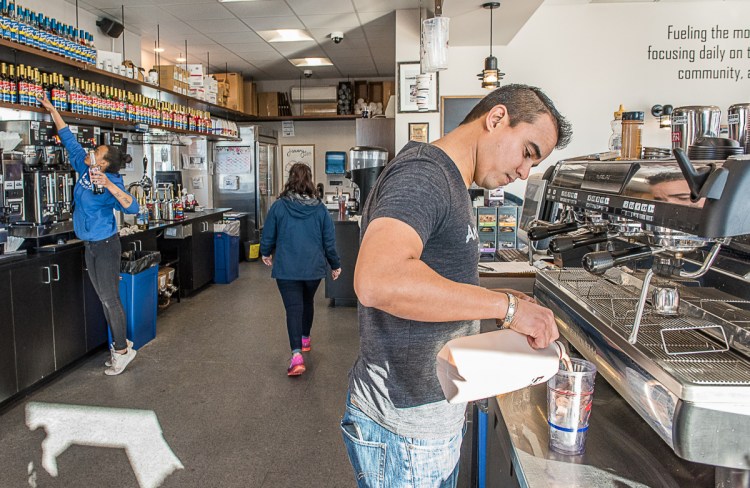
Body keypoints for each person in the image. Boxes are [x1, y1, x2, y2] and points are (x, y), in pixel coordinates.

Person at [341, 84, 573, 487]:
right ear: (497, 118)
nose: (524, 172)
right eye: (528, 152)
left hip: (425, 415)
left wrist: (498, 299)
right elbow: (379, 279)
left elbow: (434, 275)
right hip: (404, 429)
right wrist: (508, 309)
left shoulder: (453, 181)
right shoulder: (425, 173)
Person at [39, 95, 139, 376]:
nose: (92, 150)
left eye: (97, 151)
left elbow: (132, 206)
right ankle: (121, 346)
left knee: (110, 299)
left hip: (106, 245)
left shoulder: (111, 181)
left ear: (105, 164)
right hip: (90, 246)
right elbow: (69, 138)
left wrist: (107, 183)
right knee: (104, 297)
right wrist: (52, 109)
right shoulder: (85, 169)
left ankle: (122, 351)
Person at [260, 163, 342, 376]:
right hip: (313, 268)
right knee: (307, 302)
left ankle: (297, 356)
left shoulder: (279, 206)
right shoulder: (320, 208)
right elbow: (329, 241)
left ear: (290, 179)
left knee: (294, 308)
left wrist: (265, 252)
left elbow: (268, 232)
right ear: (310, 180)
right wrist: (335, 264)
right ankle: (305, 338)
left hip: (287, 268)